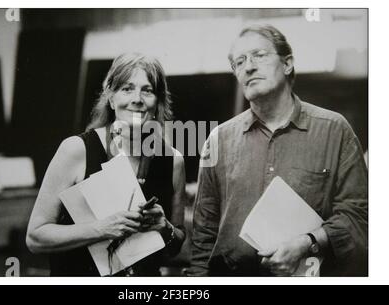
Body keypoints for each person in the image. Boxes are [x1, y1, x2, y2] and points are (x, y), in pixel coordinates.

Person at [190, 24, 368, 276]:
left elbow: (359, 214)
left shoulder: (334, 130)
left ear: (287, 64)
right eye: (239, 62)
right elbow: (203, 232)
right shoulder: (218, 139)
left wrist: (308, 242)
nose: (248, 67)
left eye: (259, 55)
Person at [26, 53, 187, 276]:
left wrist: (164, 227)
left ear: (158, 101)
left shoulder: (173, 161)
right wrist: (101, 229)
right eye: (127, 89)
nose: (137, 99)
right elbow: (35, 237)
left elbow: (176, 246)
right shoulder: (76, 150)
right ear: (111, 98)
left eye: (147, 90)